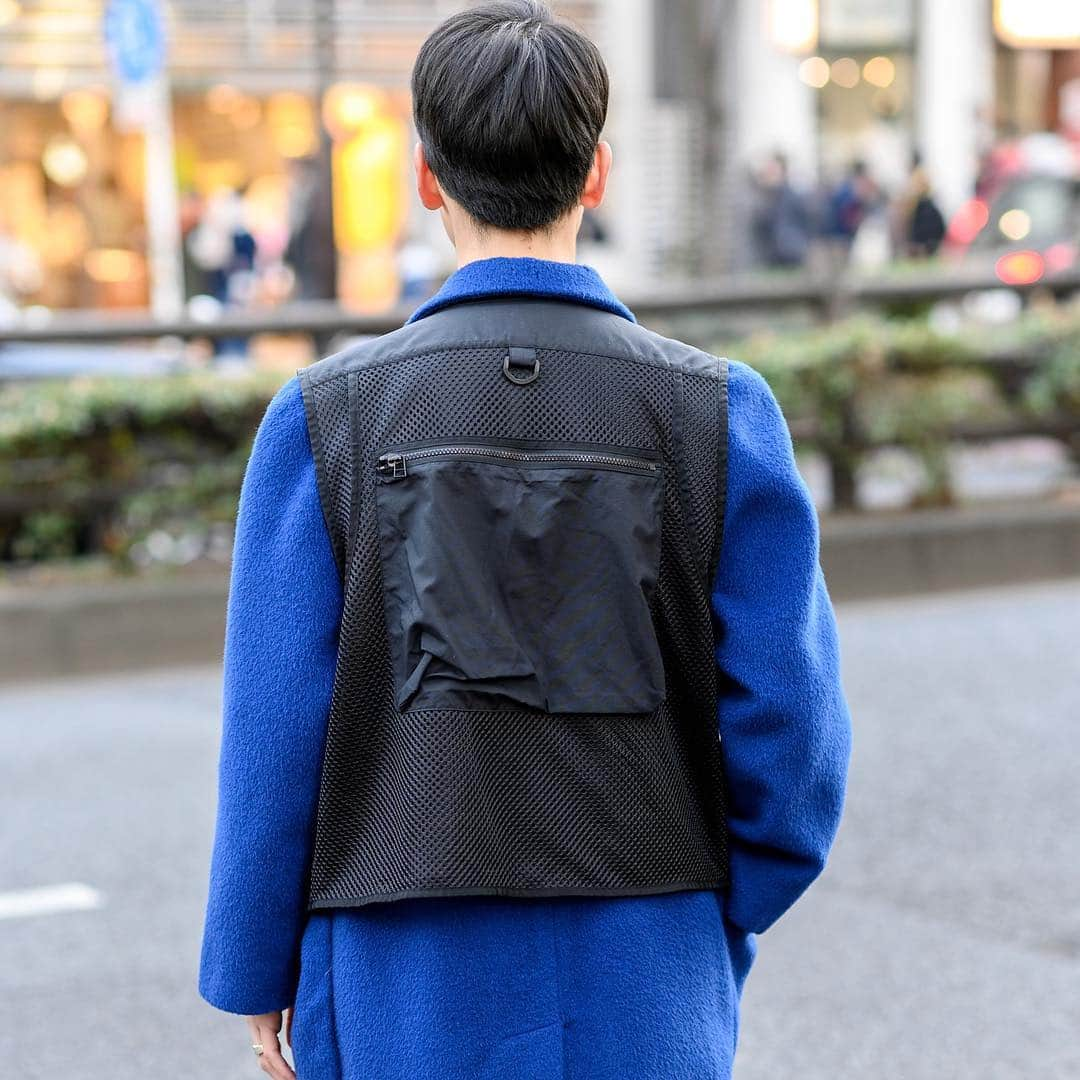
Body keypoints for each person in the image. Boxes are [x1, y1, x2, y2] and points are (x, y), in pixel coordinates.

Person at [197, 4, 852, 1078]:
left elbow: (275, 735)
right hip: (647, 948)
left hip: (397, 965)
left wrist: (256, 964)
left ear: (425, 177)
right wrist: (725, 899)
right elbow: (792, 727)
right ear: (597, 173)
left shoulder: (327, 419)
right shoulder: (717, 412)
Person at [751, 151, 811, 269]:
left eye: (773, 172)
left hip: (791, 254)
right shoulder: (764, 197)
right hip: (771, 256)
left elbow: (805, 221)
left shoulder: (792, 196)